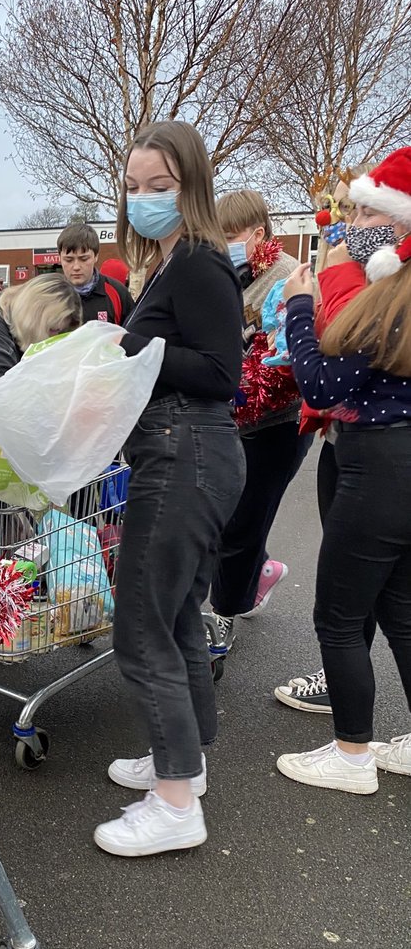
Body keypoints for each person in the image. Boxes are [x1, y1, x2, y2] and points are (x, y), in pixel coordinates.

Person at [94, 121, 245, 858]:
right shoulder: (170, 261)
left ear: (191, 187)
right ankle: (185, 760)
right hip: (184, 453)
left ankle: (177, 801)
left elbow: (221, 373)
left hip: (182, 454)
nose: (145, 198)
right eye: (134, 187)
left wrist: (131, 347)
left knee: (143, 625)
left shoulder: (196, 265)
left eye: (160, 186)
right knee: (177, 614)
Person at [276, 146, 411, 792]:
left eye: (366, 210)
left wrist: (300, 308)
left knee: (337, 616)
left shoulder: (390, 299)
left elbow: (324, 382)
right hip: (399, 462)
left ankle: (352, 754)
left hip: (378, 463)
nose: (352, 222)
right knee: (402, 611)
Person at [207, 191, 310, 650]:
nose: (222, 244)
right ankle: (260, 569)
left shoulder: (286, 277)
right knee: (231, 516)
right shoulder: (223, 273)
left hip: (274, 422)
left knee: (243, 521)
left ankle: (225, 613)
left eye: (230, 237)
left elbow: (283, 366)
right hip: (228, 416)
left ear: (259, 234)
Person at [0, 272, 82, 449]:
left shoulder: (6, 325)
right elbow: (14, 417)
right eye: (53, 330)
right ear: (35, 318)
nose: (52, 342)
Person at [57, 223, 134, 324]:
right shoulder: (49, 295)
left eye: (84, 259)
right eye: (68, 260)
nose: (76, 267)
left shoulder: (118, 293)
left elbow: (134, 334)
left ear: (96, 256)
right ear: (59, 258)